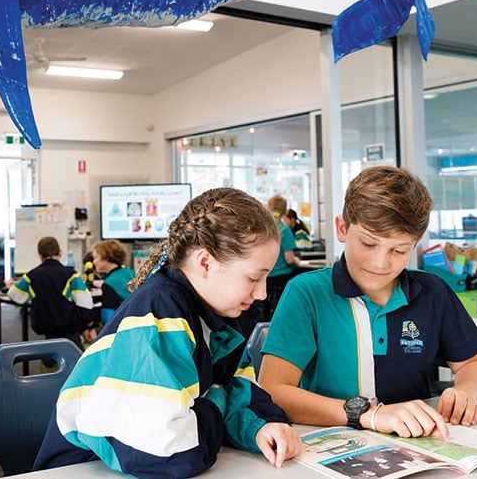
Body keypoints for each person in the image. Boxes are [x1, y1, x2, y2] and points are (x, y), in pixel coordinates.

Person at [33, 187, 301, 477]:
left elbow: (243, 389)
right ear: (205, 263)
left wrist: (265, 425)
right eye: (253, 277)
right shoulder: (160, 313)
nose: (262, 293)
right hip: (80, 468)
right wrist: (218, 401)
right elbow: (170, 453)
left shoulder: (222, 318)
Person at [259, 166, 477, 440]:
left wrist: (466, 392)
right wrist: (368, 415)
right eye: (369, 244)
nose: (381, 263)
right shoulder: (307, 293)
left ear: (415, 245)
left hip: (417, 441)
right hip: (332, 440)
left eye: (399, 250)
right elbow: (273, 389)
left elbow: (473, 364)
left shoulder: (433, 292)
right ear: (342, 228)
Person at [8, 236, 96, 345]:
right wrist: (89, 324)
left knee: (50, 351)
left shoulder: (31, 275)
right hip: (68, 325)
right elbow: (84, 302)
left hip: (43, 324)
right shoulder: (71, 275)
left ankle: (48, 360)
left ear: (40, 255)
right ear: (60, 253)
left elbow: (13, 294)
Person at [262, 195, 298, 318]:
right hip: (281, 277)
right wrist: (297, 261)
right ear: (285, 210)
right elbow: (289, 259)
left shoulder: (263, 229)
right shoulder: (284, 230)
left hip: (265, 277)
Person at [90, 239, 135, 313]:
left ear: (106, 257)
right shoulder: (131, 273)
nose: (93, 262)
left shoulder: (109, 283)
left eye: (95, 257)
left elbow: (107, 316)